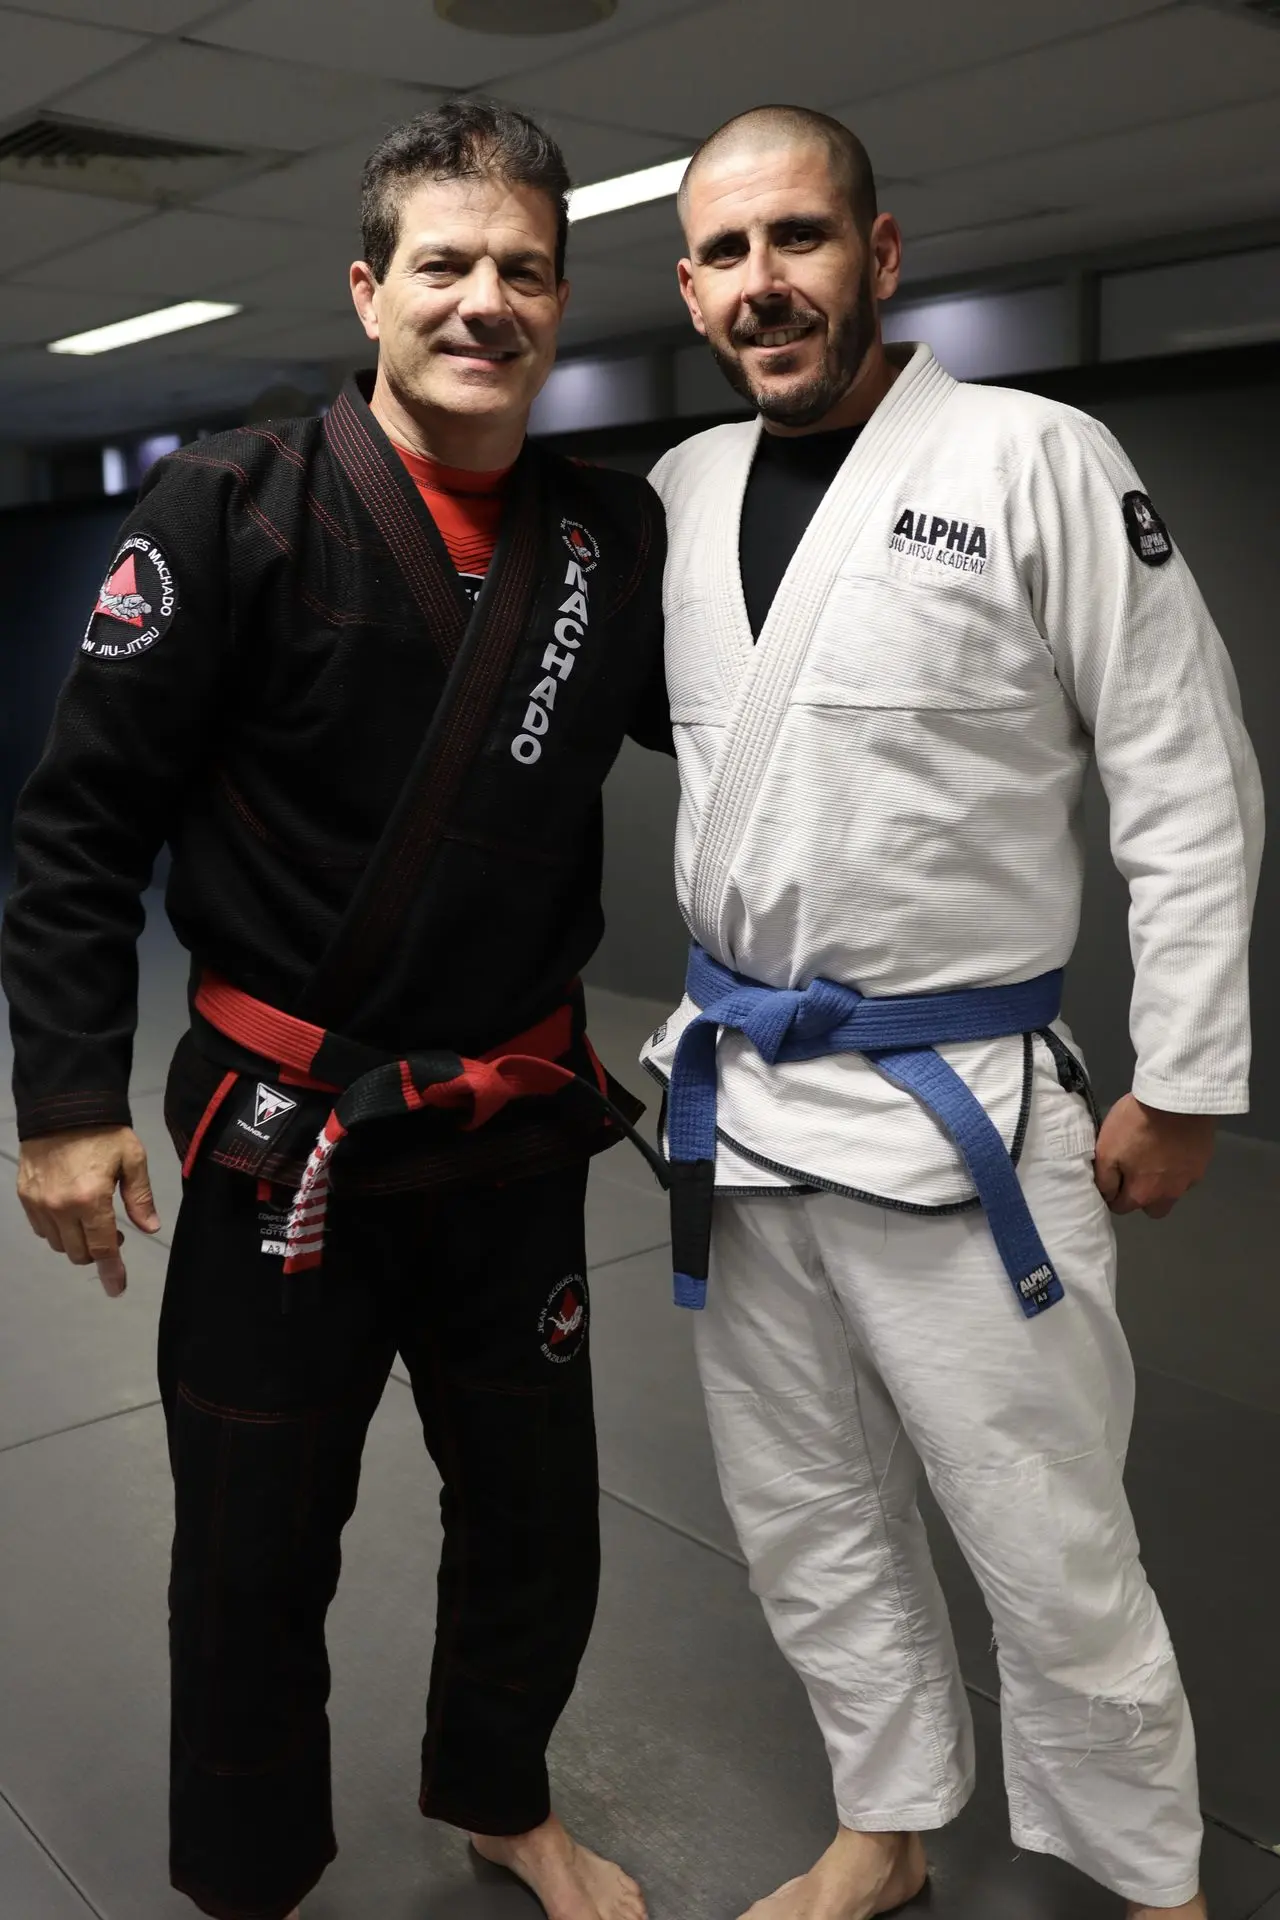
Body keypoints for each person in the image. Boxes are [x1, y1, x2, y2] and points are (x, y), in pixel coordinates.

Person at [2, 98, 671, 1920]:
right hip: (275, 1141)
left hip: (510, 1128)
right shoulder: (234, 507)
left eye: (523, 268)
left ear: (560, 296)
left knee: (534, 1518)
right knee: (250, 1542)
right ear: (369, 290)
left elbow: (777, 741)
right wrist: (64, 1100)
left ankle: (502, 1797)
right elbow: (78, 825)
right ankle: (245, 1872)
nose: (485, 301)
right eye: (444, 265)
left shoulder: (613, 544)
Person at [641, 104, 1262, 1920]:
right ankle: (886, 1822)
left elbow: (1184, 775)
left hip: (966, 1100)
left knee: (1047, 1530)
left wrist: (1193, 1075)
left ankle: (1154, 1877)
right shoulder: (673, 495)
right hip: (743, 1110)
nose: (770, 284)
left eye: (802, 240)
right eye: (731, 254)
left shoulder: (1035, 454)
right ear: (689, 289)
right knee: (805, 1510)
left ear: (881, 252)